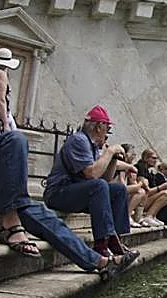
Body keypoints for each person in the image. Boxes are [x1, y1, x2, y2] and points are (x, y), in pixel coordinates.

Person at [0, 59, 136, 278]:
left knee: (39, 212)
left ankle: (99, 261)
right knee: (14, 139)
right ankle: (12, 224)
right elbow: (91, 174)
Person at [43, 105, 137, 259]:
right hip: (58, 192)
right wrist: (110, 151)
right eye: (107, 129)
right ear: (99, 127)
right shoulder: (79, 140)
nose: (107, 134)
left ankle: (117, 239)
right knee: (98, 186)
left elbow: (104, 180)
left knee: (118, 190)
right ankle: (102, 244)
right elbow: (92, 174)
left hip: (77, 191)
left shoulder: (91, 145)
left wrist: (112, 160)